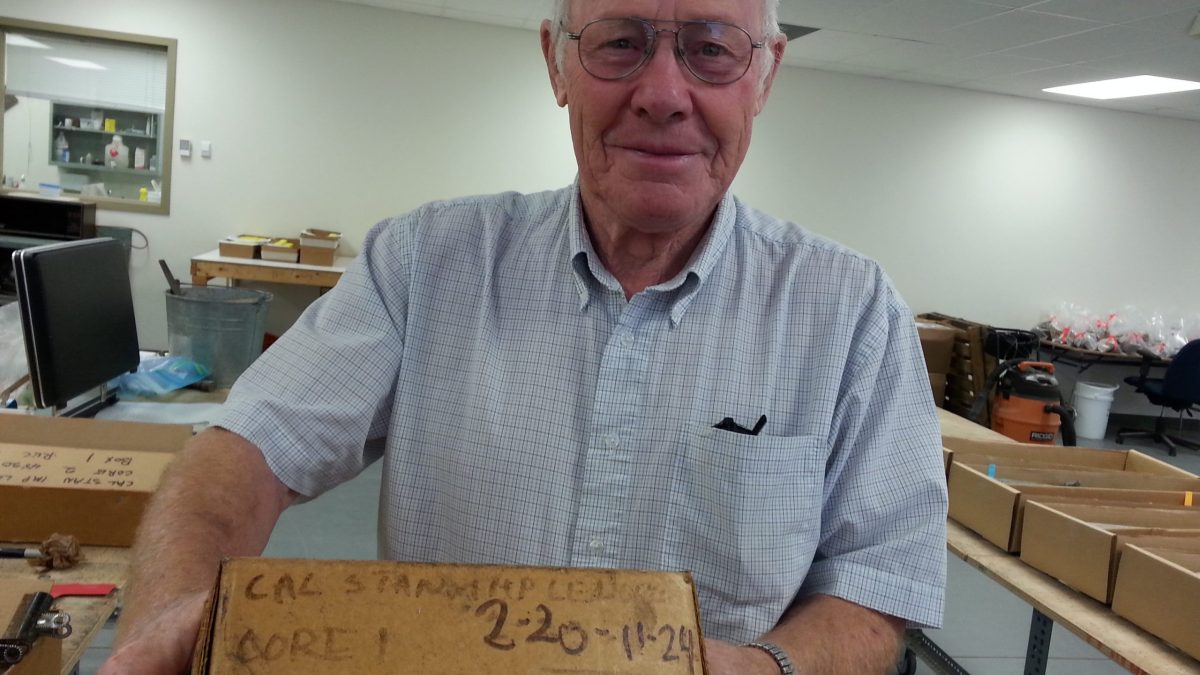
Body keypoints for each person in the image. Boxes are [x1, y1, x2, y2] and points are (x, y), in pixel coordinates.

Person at [100, 0, 946, 673]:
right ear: (556, 62)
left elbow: (877, 582)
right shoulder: (424, 263)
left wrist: (768, 667)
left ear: (764, 74)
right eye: (619, 43)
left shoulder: (852, 314)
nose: (661, 90)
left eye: (712, 47)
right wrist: (171, 615)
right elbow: (246, 449)